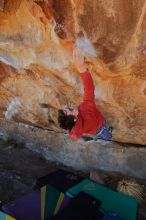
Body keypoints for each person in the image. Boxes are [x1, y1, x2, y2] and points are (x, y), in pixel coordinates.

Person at [58, 49, 112, 141]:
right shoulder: (87, 111)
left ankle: (104, 135)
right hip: (101, 126)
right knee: (106, 133)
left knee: (98, 133)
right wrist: (82, 69)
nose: (71, 105)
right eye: (70, 109)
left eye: (67, 106)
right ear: (75, 118)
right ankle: (108, 133)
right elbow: (89, 89)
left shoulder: (73, 126)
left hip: (93, 130)